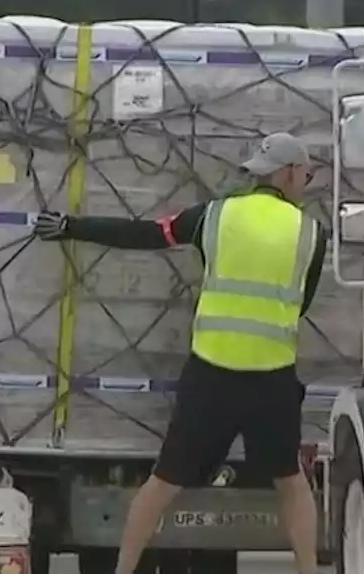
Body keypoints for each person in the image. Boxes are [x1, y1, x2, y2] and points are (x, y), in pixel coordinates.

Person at [33, 132, 327, 574]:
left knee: (162, 483)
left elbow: (148, 234)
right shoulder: (310, 234)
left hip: (211, 378)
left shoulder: (214, 216)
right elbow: (300, 304)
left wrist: (72, 227)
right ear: (287, 173)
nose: (305, 179)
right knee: (291, 484)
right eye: (305, 172)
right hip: (272, 380)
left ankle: (125, 570)